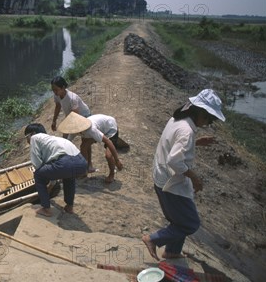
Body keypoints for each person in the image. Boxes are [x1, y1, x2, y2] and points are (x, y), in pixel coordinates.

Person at [142, 89, 225, 261]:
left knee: (178, 220)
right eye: (209, 119)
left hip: (161, 175)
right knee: (190, 223)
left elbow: (175, 141)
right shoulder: (187, 131)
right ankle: (153, 239)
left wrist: (197, 142)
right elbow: (175, 161)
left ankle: (171, 252)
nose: (208, 123)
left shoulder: (177, 119)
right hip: (170, 183)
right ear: (201, 113)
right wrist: (195, 178)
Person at [25, 123, 88, 217]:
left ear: (33, 133)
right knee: (69, 177)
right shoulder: (54, 139)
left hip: (65, 163)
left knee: (38, 175)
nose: (27, 140)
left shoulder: (35, 138)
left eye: (27, 137)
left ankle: (46, 209)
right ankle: (69, 206)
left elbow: (37, 164)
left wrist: (47, 182)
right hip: (81, 163)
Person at [59, 113, 124, 183]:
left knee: (108, 155)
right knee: (83, 146)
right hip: (100, 128)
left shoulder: (91, 129)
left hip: (110, 128)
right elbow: (67, 143)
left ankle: (112, 174)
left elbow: (108, 142)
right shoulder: (75, 129)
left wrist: (117, 160)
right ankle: (86, 169)